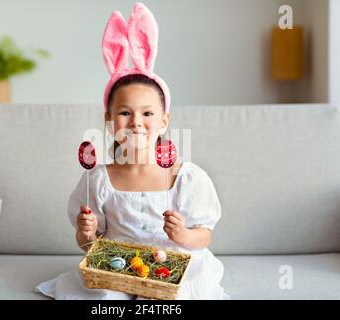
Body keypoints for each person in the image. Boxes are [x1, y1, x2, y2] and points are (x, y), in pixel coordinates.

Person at [36, 2, 229, 300]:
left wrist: (183, 235)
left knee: (178, 294)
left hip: (171, 269)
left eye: (148, 114)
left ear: (164, 121)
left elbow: (205, 235)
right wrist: (86, 234)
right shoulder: (99, 179)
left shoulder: (186, 177)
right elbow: (90, 246)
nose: (136, 123)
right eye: (125, 113)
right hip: (118, 268)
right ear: (109, 121)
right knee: (104, 295)